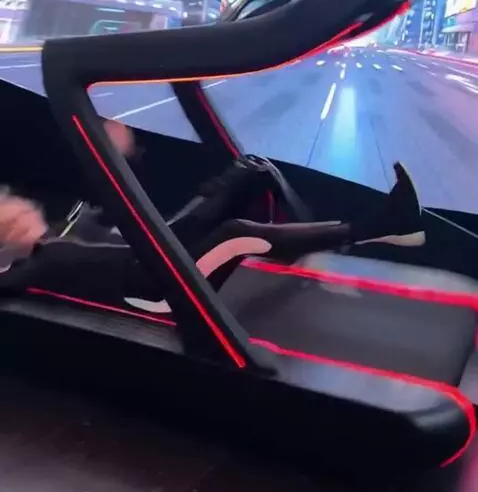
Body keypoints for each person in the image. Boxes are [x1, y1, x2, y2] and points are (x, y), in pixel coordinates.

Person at [0, 119, 425, 311]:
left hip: (155, 252)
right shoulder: (36, 265)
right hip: (154, 291)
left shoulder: (74, 220)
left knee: (247, 171)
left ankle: (323, 236)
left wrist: (120, 153)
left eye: (13, 211)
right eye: (7, 225)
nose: (16, 218)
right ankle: (376, 227)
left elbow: (131, 219)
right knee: (237, 233)